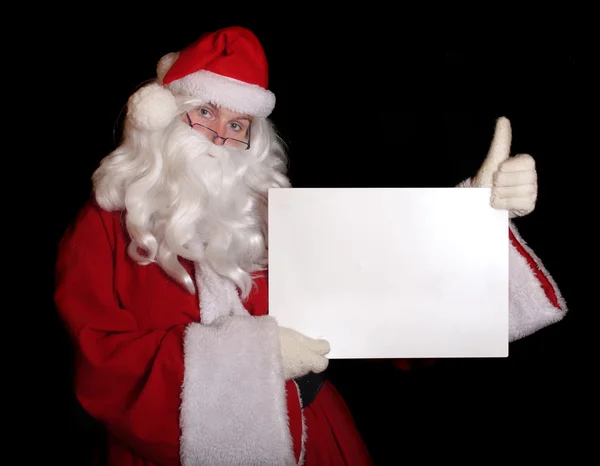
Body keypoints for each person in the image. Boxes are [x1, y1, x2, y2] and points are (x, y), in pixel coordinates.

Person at [53, 26, 567, 466]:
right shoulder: (105, 220)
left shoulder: (272, 212)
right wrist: (253, 358)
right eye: (204, 112)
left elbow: (377, 293)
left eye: (237, 125)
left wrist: (472, 219)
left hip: (314, 439)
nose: (219, 137)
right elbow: (99, 364)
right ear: (163, 114)